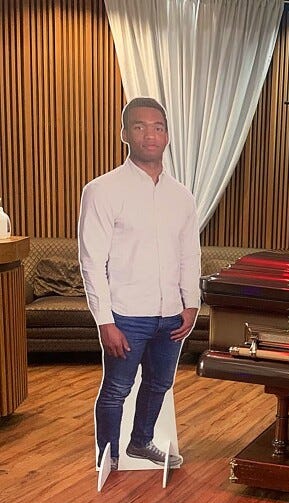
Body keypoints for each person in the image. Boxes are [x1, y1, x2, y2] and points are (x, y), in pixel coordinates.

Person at [79, 96, 201, 472]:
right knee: (116, 389)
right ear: (125, 134)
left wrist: (191, 303)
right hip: (126, 313)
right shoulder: (102, 190)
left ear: (167, 137)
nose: (151, 134)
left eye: (158, 127)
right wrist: (105, 320)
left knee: (159, 385)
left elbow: (189, 254)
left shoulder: (181, 196)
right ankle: (108, 458)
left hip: (171, 315)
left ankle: (141, 442)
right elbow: (91, 260)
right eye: (140, 126)